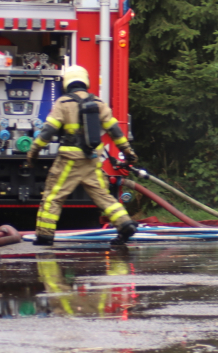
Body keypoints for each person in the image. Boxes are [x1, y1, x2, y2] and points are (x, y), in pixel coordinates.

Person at [26, 65, 139, 246]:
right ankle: (125, 223)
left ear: (67, 83)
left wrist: (33, 152)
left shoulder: (63, 103)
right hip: (92, 160)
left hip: (69, 161)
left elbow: (48, 131)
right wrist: (128, 151)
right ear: (86, 82)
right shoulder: (99, 103)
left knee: (53, 196)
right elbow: (114, 130)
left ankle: (45, 235)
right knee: (103, 195)